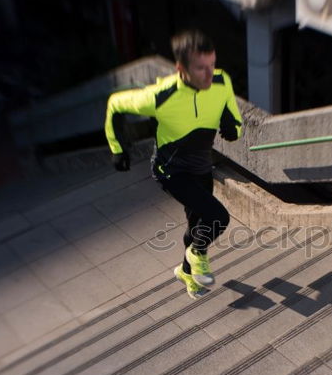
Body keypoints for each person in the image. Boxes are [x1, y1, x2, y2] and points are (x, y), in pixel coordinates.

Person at [104, 30, 243, 299]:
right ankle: (197, 253)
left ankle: (186, 273)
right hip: (171, 170)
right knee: (218, 217)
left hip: (202, 167)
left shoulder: (220, 80)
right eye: (201, 68)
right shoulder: (160, 95)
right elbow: (115, 104)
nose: (209, 74)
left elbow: (230, 108)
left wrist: (232, 124)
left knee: (196, 226)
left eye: (212, 64)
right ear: (181, 68)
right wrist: (118, 147)